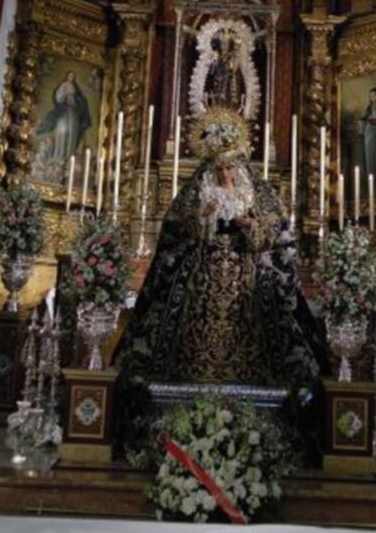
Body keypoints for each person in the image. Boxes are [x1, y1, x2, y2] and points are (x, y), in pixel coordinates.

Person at [117, 109, 324, 387]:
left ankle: (251, 377)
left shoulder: (250, 193)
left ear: (237, 168)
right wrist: (203, 217)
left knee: (257, 311)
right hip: (206, 266)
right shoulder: (203, 193)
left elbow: (271, 232)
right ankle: (194, 374)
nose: (225, 173)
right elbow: (181, 229)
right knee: (194, 311)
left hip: (245, 267)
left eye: (229, 168)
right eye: (220, 169)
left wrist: (248, 224)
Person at [36, 70, 91, 163]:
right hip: (64, 112)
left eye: (73, 77)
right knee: (62, 131)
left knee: (72, 133)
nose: (71, 78)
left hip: (73, 114)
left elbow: (81, 100)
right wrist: (65, 96)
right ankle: (59, 155)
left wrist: (74, 99)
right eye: (70, 76)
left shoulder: (75, 88)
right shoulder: (63, 85)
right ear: (67, 76)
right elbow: (58, 98)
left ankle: (70, 156)